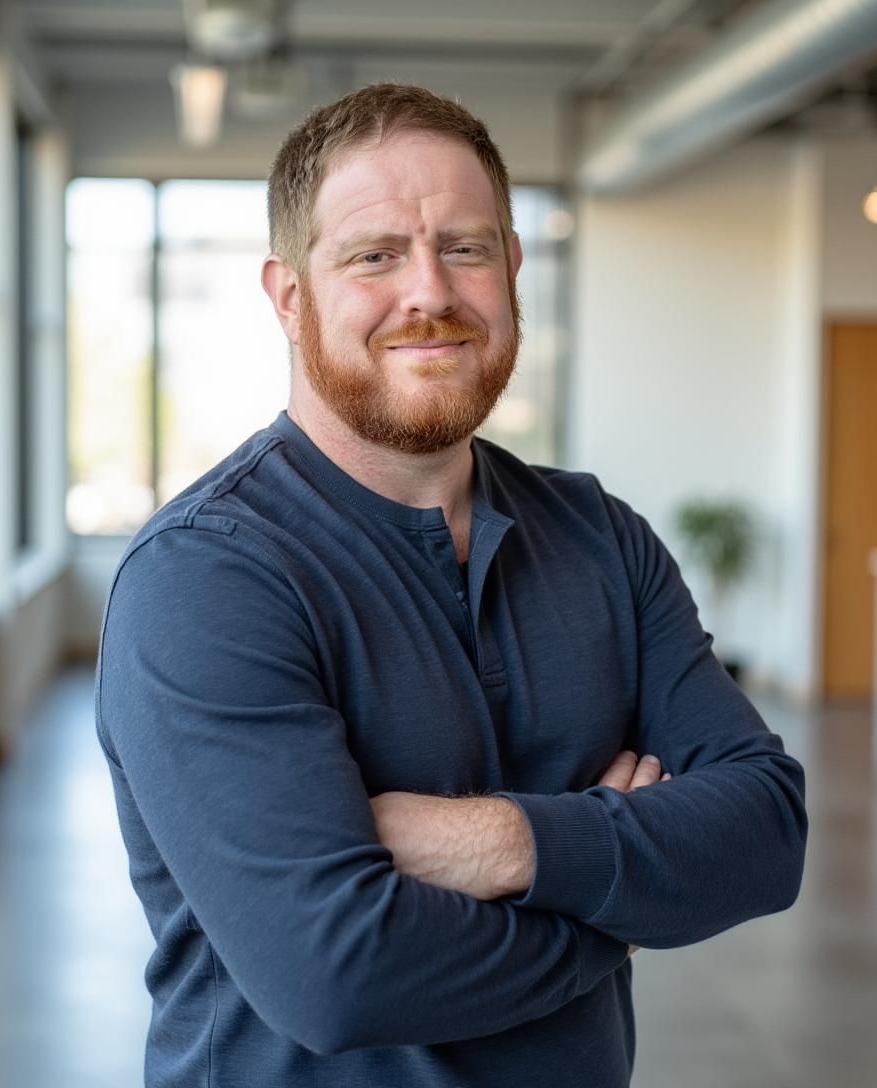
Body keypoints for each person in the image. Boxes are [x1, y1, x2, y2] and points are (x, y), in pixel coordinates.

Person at [96, 83, 807, 1088]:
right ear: (289, 297)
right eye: (375, 255)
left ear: (510, 268)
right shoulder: (207, 574)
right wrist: (615, 907)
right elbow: (337, 974)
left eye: (464, 248)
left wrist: (502, 841)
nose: (428, 291)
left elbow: (766, 833)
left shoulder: (599, 536)